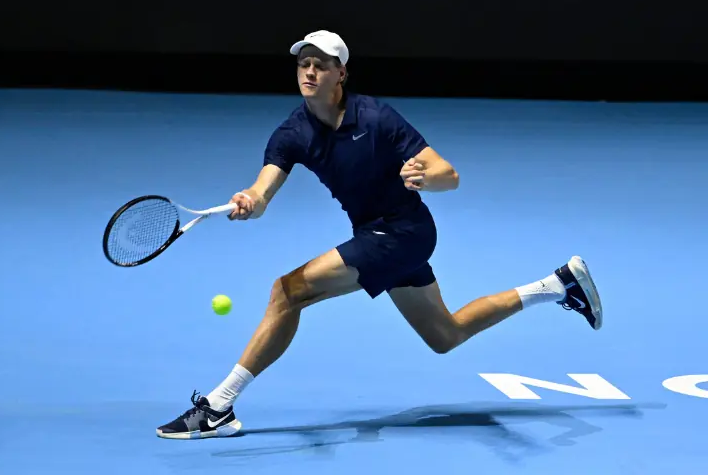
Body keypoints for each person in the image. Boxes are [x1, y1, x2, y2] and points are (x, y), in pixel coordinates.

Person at [155, 30, 603, 440]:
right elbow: (263, 188)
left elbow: (450, 173)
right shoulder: (292, 133)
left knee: (287, 292)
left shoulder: (376, 117)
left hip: (404, 232)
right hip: (379, 235)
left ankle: (218, 406)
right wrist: (251, 201)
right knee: (445, 335)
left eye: (321, 64)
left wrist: (428, 179)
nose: (310, 72)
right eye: (303, 64)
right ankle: (557, 285)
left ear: (341, 74)